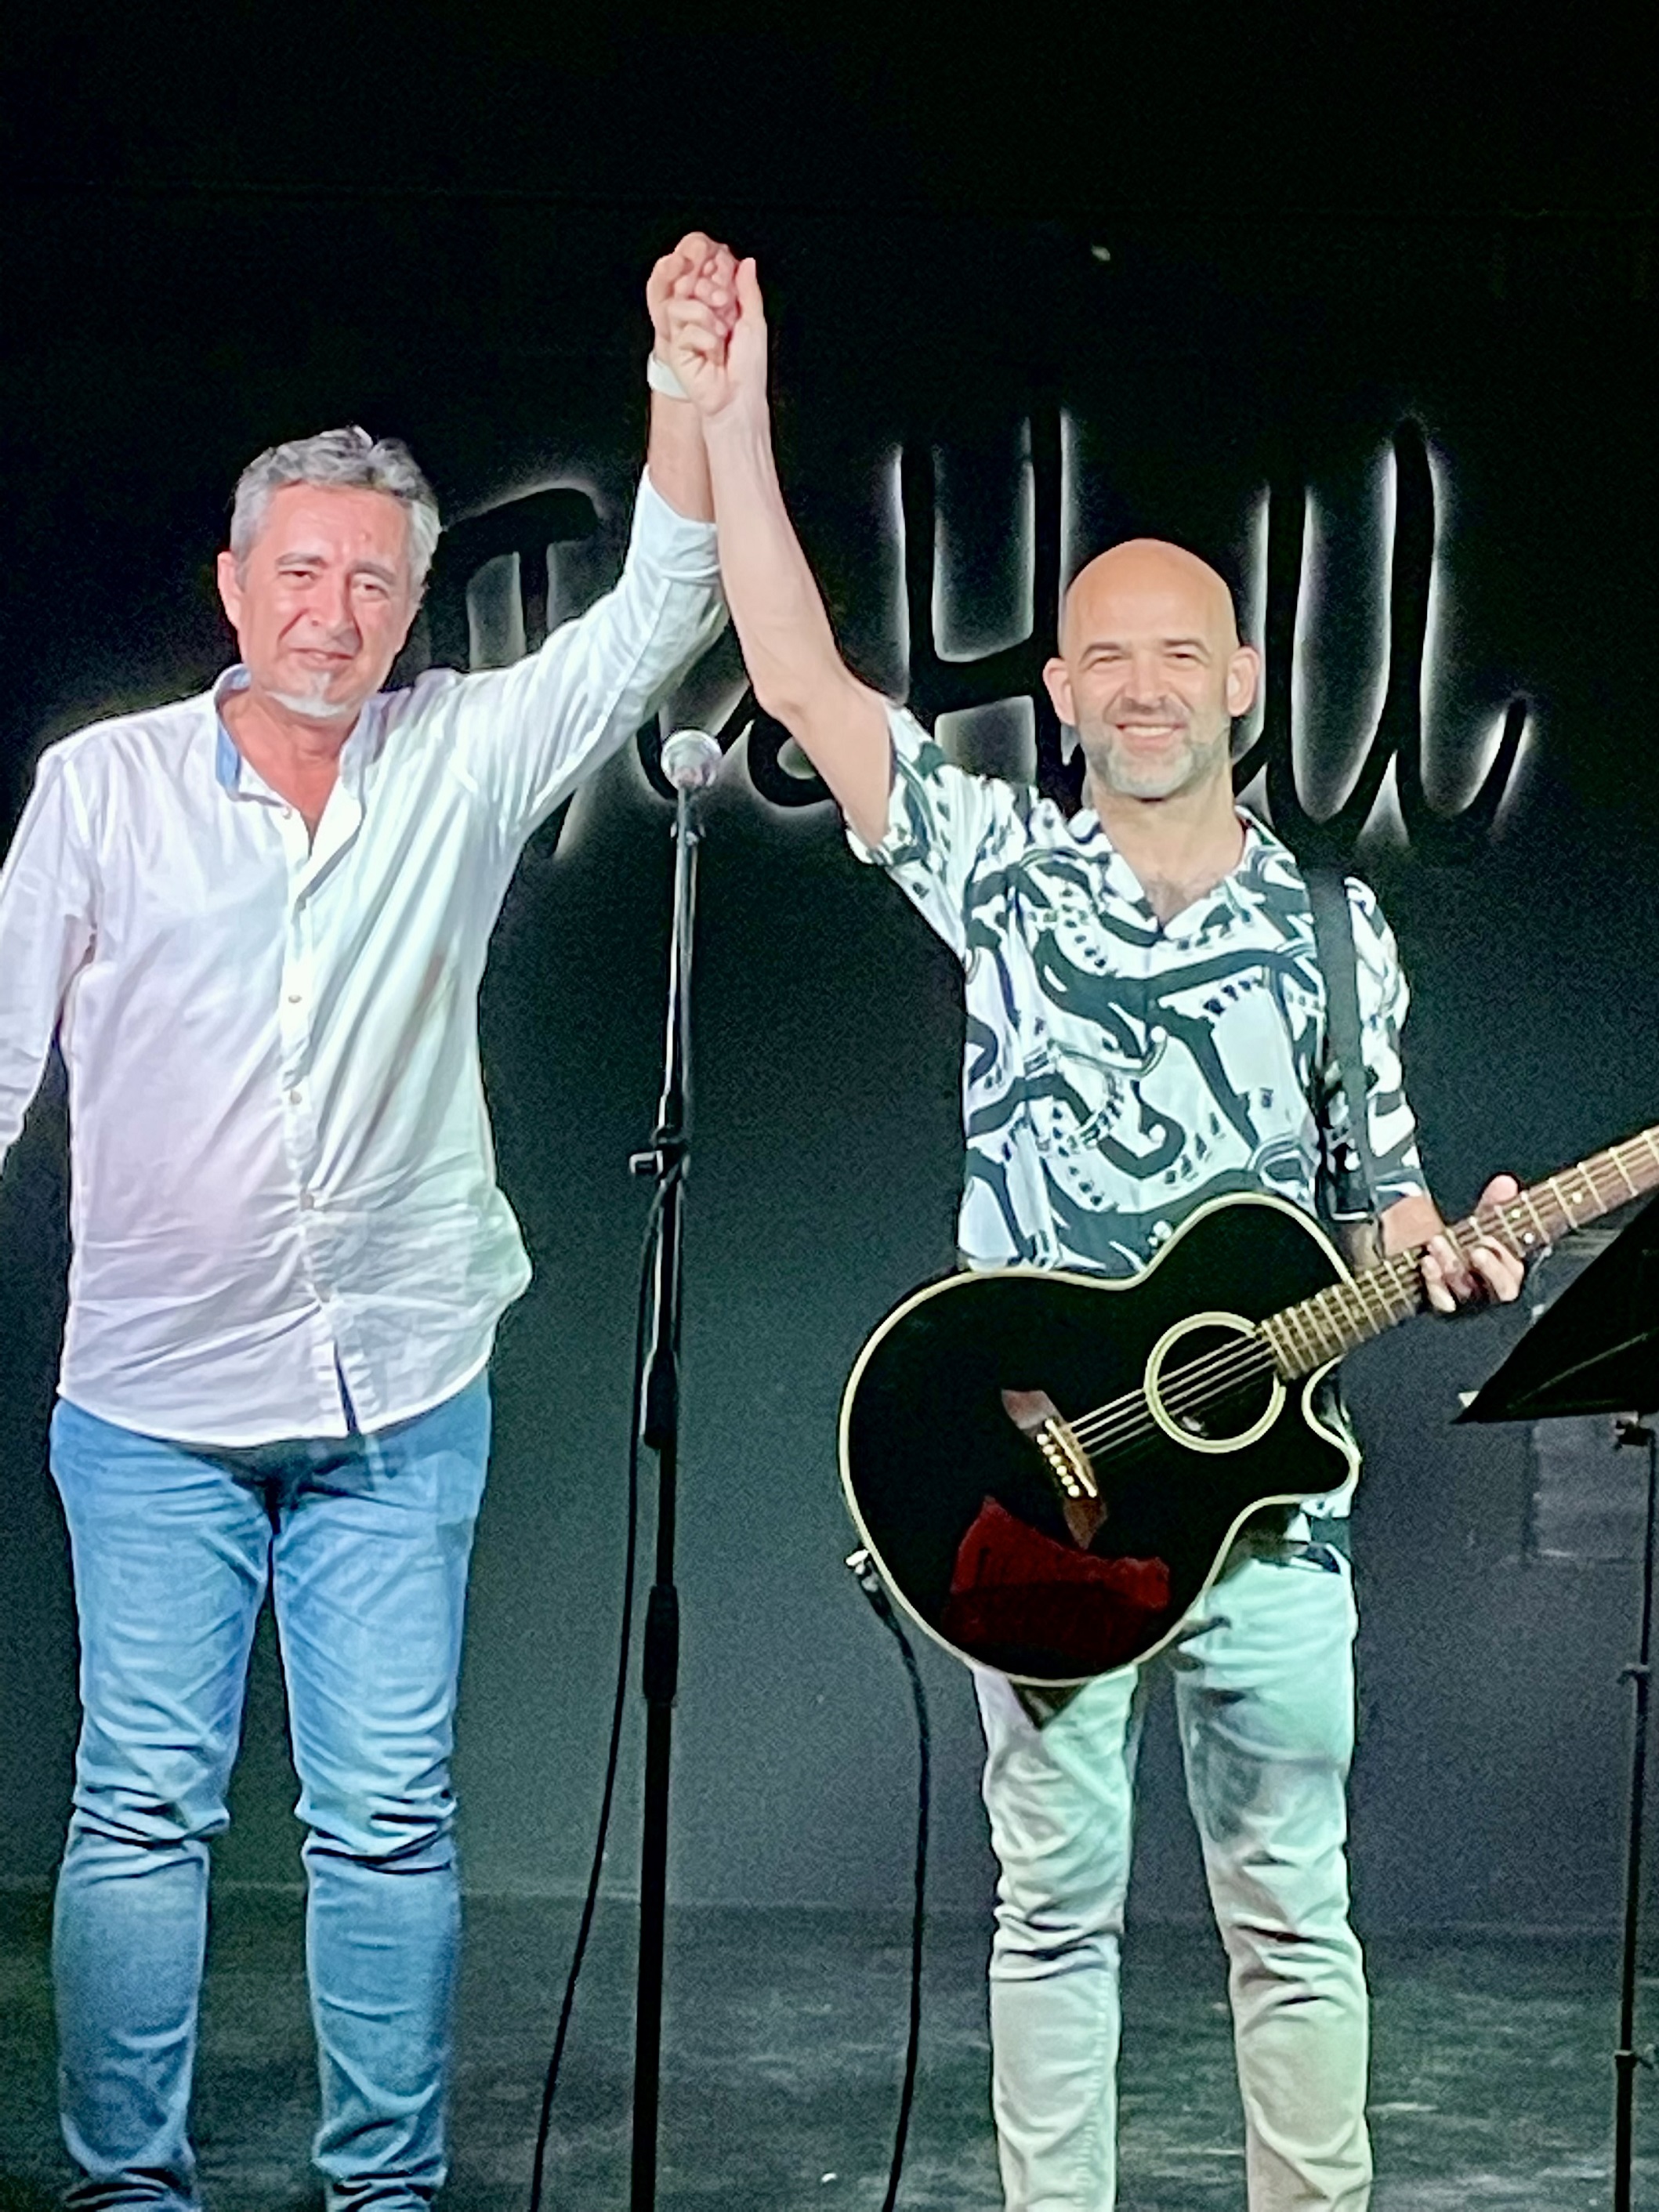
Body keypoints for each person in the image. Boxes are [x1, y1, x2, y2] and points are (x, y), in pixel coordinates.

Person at [657, 256, 1524, 2210]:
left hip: (1272, 1521)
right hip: (1048, 1500)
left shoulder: (1338, 933)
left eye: (1179, 654)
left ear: (1241, 680)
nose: (1142, 686)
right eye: (1105, 657)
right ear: (1059, 692)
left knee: (1293, 1915)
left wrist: (1452, 1246)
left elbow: (1381, 1193)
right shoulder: (1004, 877)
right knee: (1052, 1920)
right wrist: (732, 408)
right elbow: (799, 683)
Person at [0, 237, 732, 2212]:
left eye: (375, 583)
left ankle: (384, 2195)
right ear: (235, 587)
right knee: (140, 1810)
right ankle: (128, 2191)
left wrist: (682, 380)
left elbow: (659, 608)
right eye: (301, 572)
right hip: (153, 1401)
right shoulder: (102, 790)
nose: (334, 612)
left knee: (390, 1818)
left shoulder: (460, 757)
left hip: (399, 1385)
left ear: (414, 608)